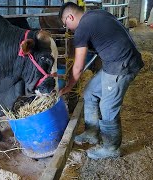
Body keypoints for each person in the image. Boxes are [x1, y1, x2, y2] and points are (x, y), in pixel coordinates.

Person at [59, 2, 144, 160]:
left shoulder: (82, 28)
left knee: (108, 107)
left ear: (70, 17)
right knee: (90, 92)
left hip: (121, 66)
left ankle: (111, 148)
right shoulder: (96, 14)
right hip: (114, 62)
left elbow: (78, 67)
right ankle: (92, 133)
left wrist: (68, 86)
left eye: (66, 24)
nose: (68, 29)